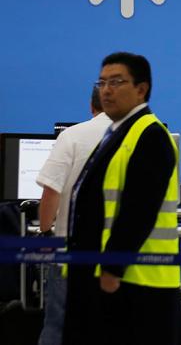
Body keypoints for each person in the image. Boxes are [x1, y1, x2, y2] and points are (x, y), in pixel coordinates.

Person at [63, 52, 181, 345]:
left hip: (134, 280)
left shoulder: (150, 135)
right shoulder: (117, 133)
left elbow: (139, 210)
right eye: (102, 82)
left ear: (141, 89)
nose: (106, 90)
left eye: (116, 82)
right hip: (103, 272)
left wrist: (112, 268)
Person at [35, 87, 111, 345]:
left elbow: (51, 190)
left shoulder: (73, 136)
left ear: (91, 107)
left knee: (59, 325)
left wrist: (46, 231)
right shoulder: (141, 138)